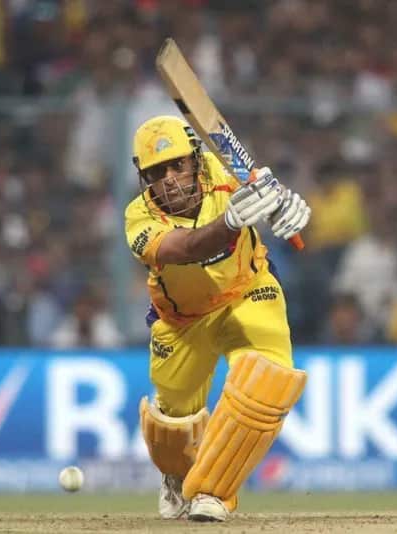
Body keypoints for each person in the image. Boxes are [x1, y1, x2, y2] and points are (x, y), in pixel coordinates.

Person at [125, 116, 311, 522]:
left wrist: (283, 205)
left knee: (268, 382)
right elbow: (186, 248)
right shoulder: (138, 219)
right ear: (144, 177)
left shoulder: (225, 170)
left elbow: (267, 190)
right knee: (172, 425)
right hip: (182, 321)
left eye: (177, 165)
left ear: (195, 160)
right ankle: (176, 476)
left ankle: (214, 492)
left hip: (248, 290)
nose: (169, 180)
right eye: (156, 172)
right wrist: (229, 223)